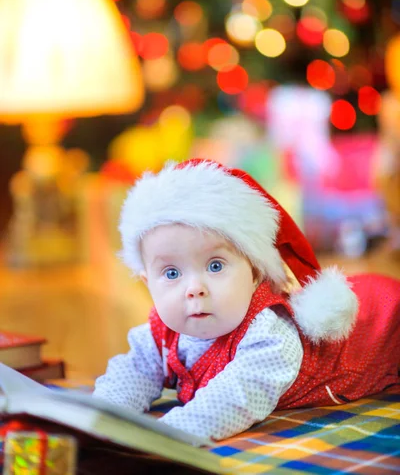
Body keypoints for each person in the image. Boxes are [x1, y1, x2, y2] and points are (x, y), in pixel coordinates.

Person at [93, 159, 400, 440]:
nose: (194, 288)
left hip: (383, 324)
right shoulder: (161, 331)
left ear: (254, 273)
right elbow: (134, 369)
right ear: (148, 283)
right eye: (171, 273)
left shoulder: (269, 332)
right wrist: (101, 418)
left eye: (215, 266)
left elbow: (235, 398)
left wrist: (164, 437)